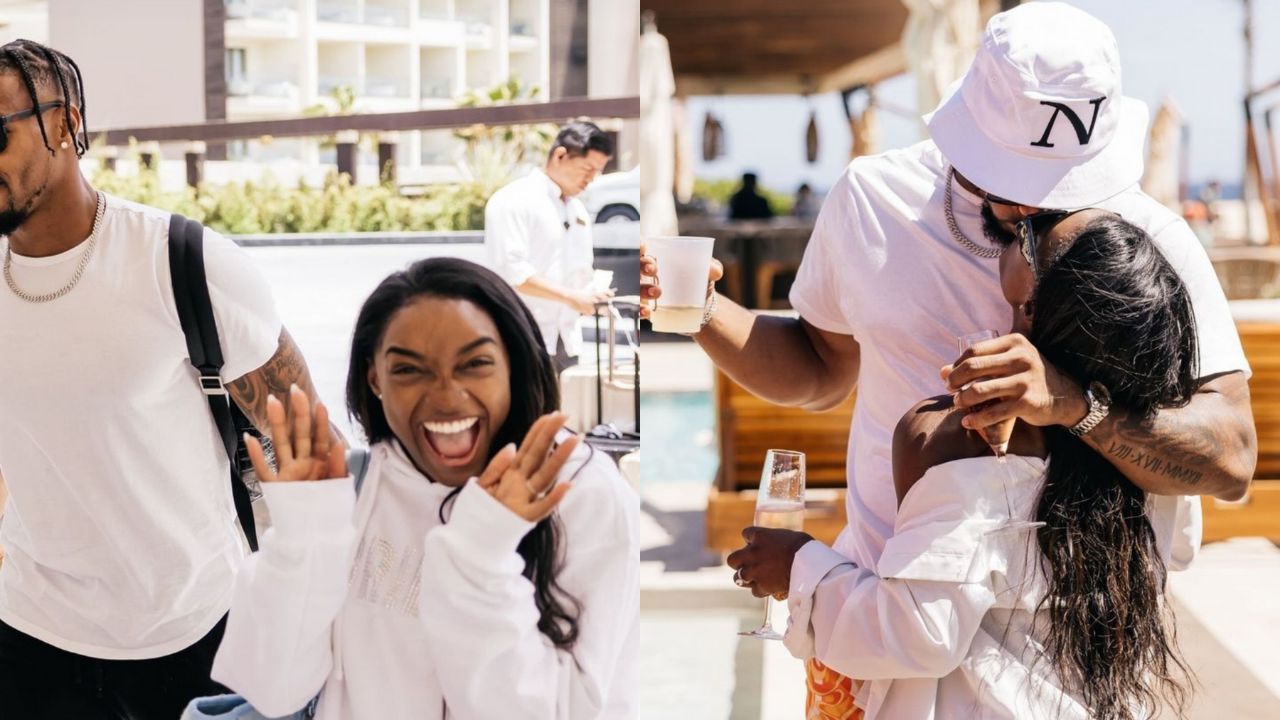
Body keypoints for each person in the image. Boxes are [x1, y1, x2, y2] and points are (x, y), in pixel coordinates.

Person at [641, 2, 1254, 712]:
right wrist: (705, 313)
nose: (1034, 213)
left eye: (1063, 191)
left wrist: (1073, 404)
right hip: (877, 616)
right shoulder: (876, 200)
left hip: (1068, 652)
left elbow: (1230, 459)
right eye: (1018, 186)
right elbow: (817, 368)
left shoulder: (1148, 237)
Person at [753, 211, 1198, 718]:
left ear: (1033, 308)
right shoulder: (1148, 458)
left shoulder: (963, 448)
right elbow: (1179, 547)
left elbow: (917, 635)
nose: (1024, 223)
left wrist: (800, 565)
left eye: (1034, 236)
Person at [0, 39, 329, 720]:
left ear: (66, 123)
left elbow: (306, 445)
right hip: (28, 635)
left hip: (192, 635)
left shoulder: (182, 264)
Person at [210, 258, 640, 719]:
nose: (446, 395)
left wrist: (480, 556)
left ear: (513, 365)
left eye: (475, 364)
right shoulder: (353, 492)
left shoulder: (582, 494)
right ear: (375, 379)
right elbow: (275, 691)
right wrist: (303, 539)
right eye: (409, 371)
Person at [485, 121, 616, 374]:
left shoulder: (576, 208)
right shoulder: (513, 200)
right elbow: (512, 273)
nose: (591, 179)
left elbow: (580, 271)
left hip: (568, 339)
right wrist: (573, 297)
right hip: (520, 335)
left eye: (597, 171)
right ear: (560, 155)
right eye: (587, 169)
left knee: (567, 411)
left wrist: (593, 295)